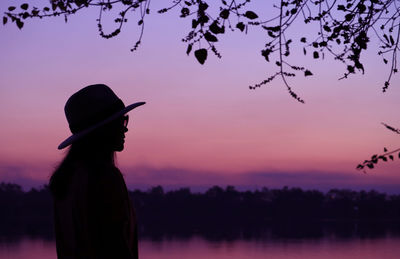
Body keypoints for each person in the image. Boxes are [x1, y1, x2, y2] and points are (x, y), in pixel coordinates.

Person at [49, 84, 145, 259]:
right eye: (121, 121)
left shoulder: (65, 180)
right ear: (103, 130)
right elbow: (116, 247)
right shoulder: (105, 178)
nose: (125, 128)